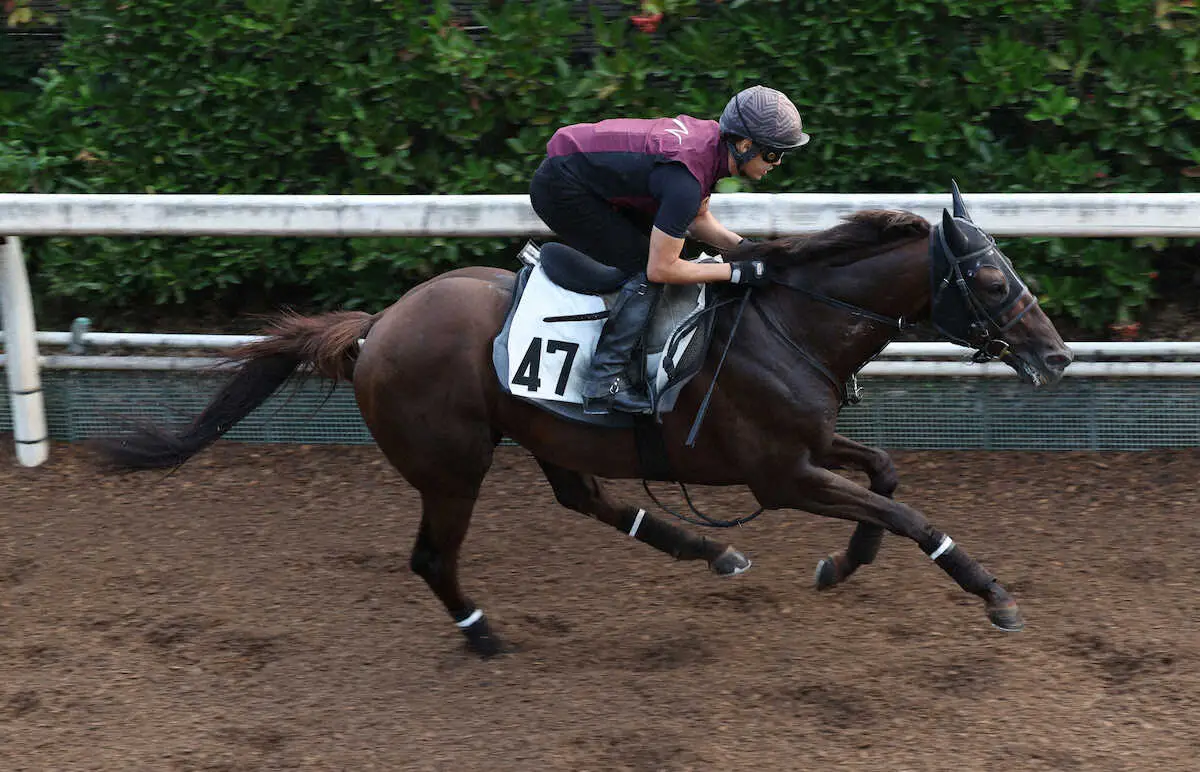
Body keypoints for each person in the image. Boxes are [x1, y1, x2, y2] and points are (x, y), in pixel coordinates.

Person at [529, 85, 811, 416]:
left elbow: (698, 219)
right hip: (562, 188)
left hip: (580, 173)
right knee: (645, 269)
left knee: (656, 254)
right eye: (773, 154)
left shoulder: (711, 145)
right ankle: (603, 383)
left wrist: (747, 250)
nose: (777, 163)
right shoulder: (686, 180)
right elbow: (661, 269)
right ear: (745, 145)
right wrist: (736, 272)